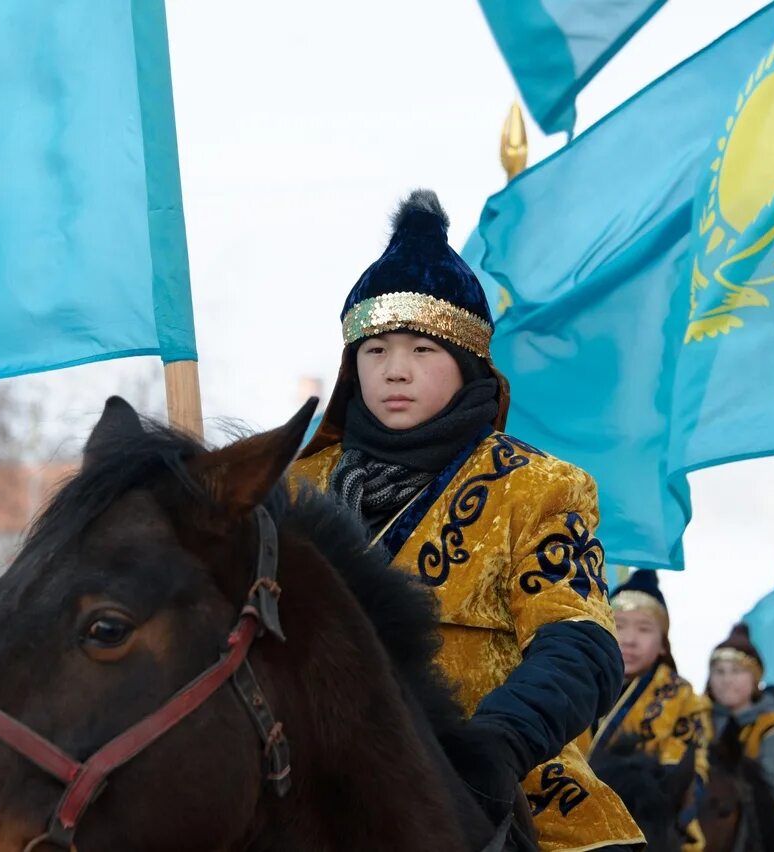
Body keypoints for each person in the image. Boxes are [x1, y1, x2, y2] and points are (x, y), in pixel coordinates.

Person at [292, 189, 642, 850]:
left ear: (466, 360)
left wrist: (492, 746)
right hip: (313, 791)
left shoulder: (540, 488)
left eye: (422, 350)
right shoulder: (291, 491)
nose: (395, 370)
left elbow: (583, 647)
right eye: (376, 350)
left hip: (501, 793)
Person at [587, 570, 711, 852]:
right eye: (619, 625)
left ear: (663, 644)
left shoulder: (682, 698)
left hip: (650, 827)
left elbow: (691, 770)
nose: (629, 639)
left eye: (644, 629)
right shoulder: (575, 682)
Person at [707, 623, 774, 852]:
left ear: (755, 679)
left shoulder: (773, 730)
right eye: (719, 671)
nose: (727, 680)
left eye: (736, 671)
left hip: (762, 838)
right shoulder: (696, 722)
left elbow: (769, 788)